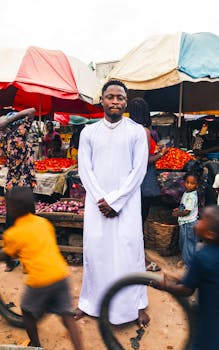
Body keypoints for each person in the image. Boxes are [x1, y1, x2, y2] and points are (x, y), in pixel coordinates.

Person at [74, 80, 150, 327]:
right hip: (98, 207)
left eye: (120, 97)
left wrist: (116, 201)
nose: (115, 101)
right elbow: (85, 170)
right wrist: (101, 200)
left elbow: (138, 172)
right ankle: (89, 303)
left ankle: (137, 306)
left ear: (126, 102)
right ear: (102, 100)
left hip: (126, 206)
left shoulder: (137, 132)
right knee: (96, 253)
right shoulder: (89, 132)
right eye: (110, 96)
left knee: (130, 253)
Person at [0, 186, 83, 349]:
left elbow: (8, 254)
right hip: (61, 275)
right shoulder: (44, 223)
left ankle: (35, 344)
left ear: (14, 209)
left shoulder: (14, 233)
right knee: (67, 317)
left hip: (40, 281)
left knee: (26, 311)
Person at [151, 205, 219, 350]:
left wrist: (165, 286)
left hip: (211, 321)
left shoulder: (202, 257)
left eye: (202, 220)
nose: (197, 222)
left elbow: (186, 290)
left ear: (210, 234)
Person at [129, 97, 169, 271]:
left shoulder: (127, 129)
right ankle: (140, 261)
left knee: (132, 220)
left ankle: (133, 258)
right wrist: (162, 153)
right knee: (138, 221)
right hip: (143, 180)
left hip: (131, 181)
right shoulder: (143, 131)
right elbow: (145, 161)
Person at [0, 108, 37, 271]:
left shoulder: (4, 137)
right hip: (24, 186)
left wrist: (5, 123)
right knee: (29, 224)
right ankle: (28, 263)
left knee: (11, 224)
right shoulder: (19, 134)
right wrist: (10, 119)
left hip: (11, 186)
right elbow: (32, 111)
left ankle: (9, 262)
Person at [172, 171, 201, 268]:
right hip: (185, 222)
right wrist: (179, 209)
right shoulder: (187, 193)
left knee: (188, 243)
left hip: (189, 223)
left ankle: (189, 264)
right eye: (187, 182)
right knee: (184, 243)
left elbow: (187, 212)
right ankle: (185, 260)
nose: (189, 185)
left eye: (192, 183)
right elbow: (184, 207)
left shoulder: (192, 196)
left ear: (197, 185)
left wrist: (177, 214)